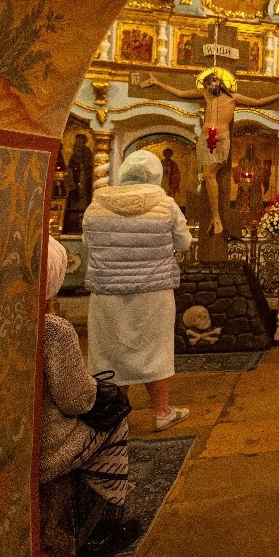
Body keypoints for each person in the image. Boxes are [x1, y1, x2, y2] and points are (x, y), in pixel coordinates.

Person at [39, 237, 139, 557]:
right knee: (116, 423)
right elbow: (78, 399)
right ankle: (104, 526)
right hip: (48, 448)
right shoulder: (53, 330)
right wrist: (97, 388)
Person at [83, 150, 193, 431]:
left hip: (107, 290)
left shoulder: (97, 203)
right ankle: (162, 411)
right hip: (153, 291)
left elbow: (88, 240)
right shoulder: (165, 204)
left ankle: (117, 417)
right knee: (154, 350)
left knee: (111, 353)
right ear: (157, 174)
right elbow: (183, 243)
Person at [141, 68, 279, 235]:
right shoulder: (206, 95)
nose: (210, 88)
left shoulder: (233, 98)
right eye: (207, 85)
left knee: (210, 175)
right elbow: (181, 93)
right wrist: (158, 83)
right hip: (205, 137)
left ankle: (216, 217)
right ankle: (215, 217)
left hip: (220, 138)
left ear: (221, 83)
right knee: (207, 176)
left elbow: (259, 101)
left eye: (212, 84)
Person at [64, 133, 94, 234]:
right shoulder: (75, 150)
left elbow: (88, 164)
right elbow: (70, 163)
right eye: (77, 140)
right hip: (74, 176)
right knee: (73, 196)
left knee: (82, 196)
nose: (77, 142)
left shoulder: (86, 151)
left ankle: (82, 216)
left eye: (79, 140)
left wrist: (81, 166)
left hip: (83, 177)